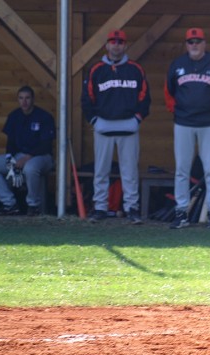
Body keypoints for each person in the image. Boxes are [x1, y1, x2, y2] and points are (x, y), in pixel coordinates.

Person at [164, 27, 210, 229]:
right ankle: (181, 212)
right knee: (182, 169)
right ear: (186, 45)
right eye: (190, 42)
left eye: (197, 41)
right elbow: (168, 91)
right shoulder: (178, 65)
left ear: (204, 43)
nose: (194, 45)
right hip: (183, 123)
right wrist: (176, 111)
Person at [81, 29, 151, 224]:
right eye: (113, 42)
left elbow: (145, 97)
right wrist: (94, 120)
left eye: (120, 42)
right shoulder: (96, 70)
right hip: (103, 126)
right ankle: (100, 207)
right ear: (107, 45)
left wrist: (137, 118)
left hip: (128, 126)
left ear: (125, 45)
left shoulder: (135, 69)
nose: (116, 45)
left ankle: (131, 208)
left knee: (130, 172)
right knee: (101, 171)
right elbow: (86, 98)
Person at [0, 86, 55, 216]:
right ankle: (9, 204)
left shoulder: (44, 116)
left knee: (30, 168)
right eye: (21, 98)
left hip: (42, 157)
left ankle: (33, 206)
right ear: (17, 99)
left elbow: (46, 145)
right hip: (19, 156)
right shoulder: (14, 116)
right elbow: (10, 144)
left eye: (27, 98)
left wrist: (27, 158)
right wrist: (10, 162)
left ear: (33, 99)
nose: (24, 102)